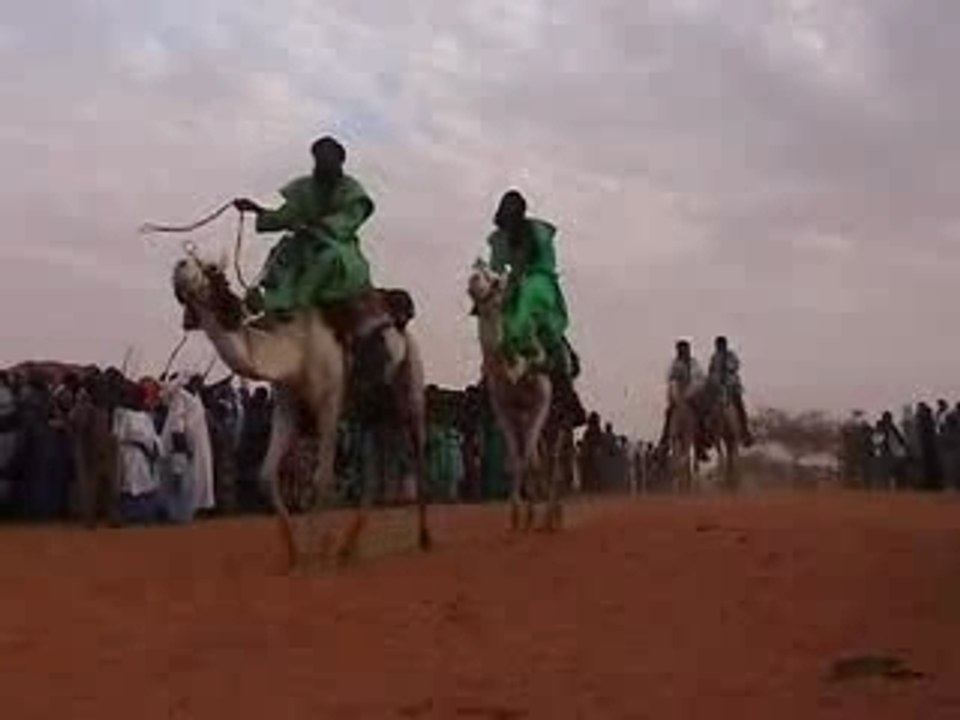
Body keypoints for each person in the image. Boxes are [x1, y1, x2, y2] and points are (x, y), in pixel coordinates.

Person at [233, 136, 398, 383]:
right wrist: (257, 209)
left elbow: (351, 218)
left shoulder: (351, 190)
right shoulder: (306, 188)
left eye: (326, 157)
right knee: (282, 254)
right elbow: (286, 216)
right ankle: (274, 308)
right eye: (318, 158)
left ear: (340, 160)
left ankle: (297, 308)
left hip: (338, 246)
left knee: (327, 258)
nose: (321, 163)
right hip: (305, 245)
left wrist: (322, 226)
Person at [484, 189, 586, 428]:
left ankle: (565, 395)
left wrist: (518, 283)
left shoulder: (536, 233)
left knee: (545, 329)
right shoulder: (500, 238)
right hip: (513, 287)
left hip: (539, 284)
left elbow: (533, 266)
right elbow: (496, 270)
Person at [658, 340, 709, 462]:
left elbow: (700, 380)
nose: (682, 352)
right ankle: (664, 444)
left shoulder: (694, 364)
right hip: (677, 397)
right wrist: (673, 396)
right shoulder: (674, 365)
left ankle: (701, 446)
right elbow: (670, 381)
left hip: (691, 397)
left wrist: (690, 392)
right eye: (680, 350)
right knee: (669, 414)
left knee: (700, 415)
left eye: (684, 349)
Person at [706, 335, 754, 446]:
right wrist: (711, 381)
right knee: (708, 408)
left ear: (725, 345)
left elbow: (735, 366)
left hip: (731, 387)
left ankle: (745, 433)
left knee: (739, 407)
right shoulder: (714, 357)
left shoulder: (731, 355)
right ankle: (708, 434)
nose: (719, 347)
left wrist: (727, 369)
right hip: (718, 389)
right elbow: (711, 371)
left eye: (721, 345)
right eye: (718, 345)